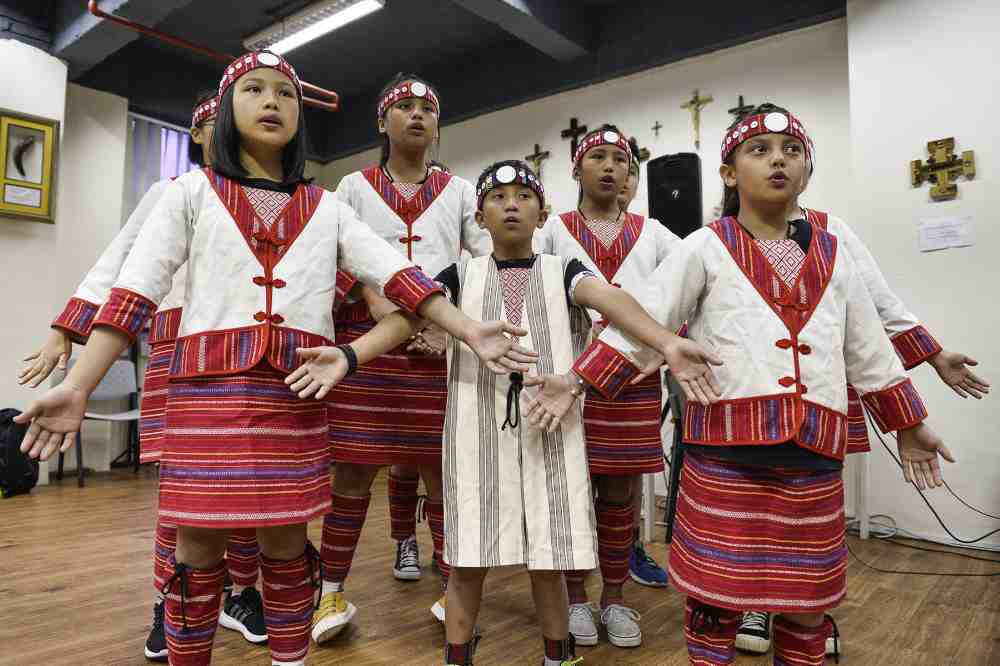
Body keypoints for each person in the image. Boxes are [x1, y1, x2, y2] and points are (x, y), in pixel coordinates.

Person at [17, 51, 531, 666]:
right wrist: (78, 383)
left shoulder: (328, 207)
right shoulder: (188, 194)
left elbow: (403, 280)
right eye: (253, 90)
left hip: (294, 394)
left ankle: (291, 657)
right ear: (226, 112)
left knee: (287, 548)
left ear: (299, 119)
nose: (271, 101)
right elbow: (133, 291)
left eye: (285, 94)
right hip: (206, 399)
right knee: (198, 551)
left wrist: (467, 329)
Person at [537, 106, 954, 665]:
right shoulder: (704, 246)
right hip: (725, 457)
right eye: (759, 150)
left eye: (792, 151)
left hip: (814, 457)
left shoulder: (835, 253)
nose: (778, 159)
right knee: (715, 599)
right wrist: (576, 380)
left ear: (807, 171)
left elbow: (869, 348)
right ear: (729, 173)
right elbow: (645, 321)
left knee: (807, 603)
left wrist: (909, 424)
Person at [314, 74, 492, 641]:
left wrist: (449, 326)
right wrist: (371, 296)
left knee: (443, 473)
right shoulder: (351, 187)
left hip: (438, 353)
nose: (417, 116)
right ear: (381, 121)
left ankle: (450, 591)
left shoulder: (462, 191)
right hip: (369, 351)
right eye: (404, 107)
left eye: (428, 110)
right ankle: (330, 593)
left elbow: (482, 264)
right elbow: (334, 252)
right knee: (354, 470)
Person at [534, 125, 679, 648]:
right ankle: (575, 599)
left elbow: (687, 295)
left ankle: (615, 599)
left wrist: (663, 346)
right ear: (575, 169)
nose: (610, 166)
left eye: (620, 158)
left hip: (634, 381)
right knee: (573, 490)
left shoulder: (656, 233)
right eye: (598, 156)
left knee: (621, 495)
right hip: (569, 380)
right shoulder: (550, 230)